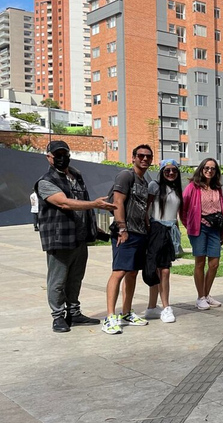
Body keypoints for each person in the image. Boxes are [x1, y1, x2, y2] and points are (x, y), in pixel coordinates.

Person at [35, 140, 116, 333]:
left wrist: (94, 229)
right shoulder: (46, 182)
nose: (63, 158)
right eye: (58, 155)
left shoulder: (76, 175)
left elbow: (82, 205)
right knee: (58, 281)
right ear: (49, 157)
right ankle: (58, 317)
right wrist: (95, 204)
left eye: (65, 154)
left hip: (79, 238)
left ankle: (74, 313)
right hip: (60, 239)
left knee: (76, 278)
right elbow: (64, 203)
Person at [104, 144, 153, 335]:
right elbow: (117, 202)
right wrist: (122, 228)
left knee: (132, 273)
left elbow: (143, 209)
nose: (144, 159)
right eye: (140, 155)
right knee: (119, 272)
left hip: (140, 233)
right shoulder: (126, 176)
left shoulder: (144, 181)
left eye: (148, 156)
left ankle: (126, 312)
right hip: (125, 232)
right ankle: (110, 317)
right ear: (133, 157)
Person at [182, 158, 223, 311]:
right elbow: (183, 207)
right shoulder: (193, 187)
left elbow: (222, 208)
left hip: (215, 228)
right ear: (201, 169)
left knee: (214, 264)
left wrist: (222, 231)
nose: (209, 171)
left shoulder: (216, 188)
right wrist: (189, 224)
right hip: (199, 228)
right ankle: (200, 297)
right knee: (200, 262)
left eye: (213, 168)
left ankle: (206, 294)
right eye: (206, 168)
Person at [143, 159, 183, 324]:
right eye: (167, 171)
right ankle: (165, 307)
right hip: (156, 229)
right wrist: (149, 230)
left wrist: (177, 233)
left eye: (174, 170)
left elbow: (175, 213)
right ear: (161, 172)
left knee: (162, 270)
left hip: (170, 230)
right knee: (160, 270)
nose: (171, 173)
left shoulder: (177, 189)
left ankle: (153, 307)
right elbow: (146, 209)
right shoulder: (154, 186)